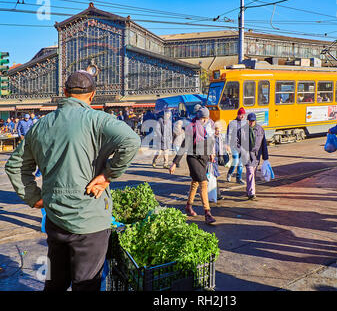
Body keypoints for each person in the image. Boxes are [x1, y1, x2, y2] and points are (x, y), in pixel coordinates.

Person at [5, 70, 141, 291]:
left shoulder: (40, 125)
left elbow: (15, 166)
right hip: (90, 222)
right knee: (86, 284)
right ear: (92, 95)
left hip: (54, 220)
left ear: (65, 93)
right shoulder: (98, 119)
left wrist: (34, 198)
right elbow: (131, 141)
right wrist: (107, 175)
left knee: (55, 282)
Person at [169, 107, 216, 224]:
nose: (205, 121)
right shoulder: (192, 128)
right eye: (203, 118)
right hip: (193, 158)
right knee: (203, 183)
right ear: (199, 118)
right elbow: (184, 146)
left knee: (195, 182)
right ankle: (207, 213)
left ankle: (188, 206)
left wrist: (211, 153)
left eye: (206, 118)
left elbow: (210, 141)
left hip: (203, 158)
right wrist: (174, 163)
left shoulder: (209, 127)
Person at [242, 113, 269, 200]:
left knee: (252, 173)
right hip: (247, 155)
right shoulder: (243, 130)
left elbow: (263, 144)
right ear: (248, 121)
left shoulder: (260, 129)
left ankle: (248, 189)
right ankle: (251, 193)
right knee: (250, 173)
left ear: (255, 121)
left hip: (256, 156)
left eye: (253, 121)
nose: (251, 122)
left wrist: (265, 157)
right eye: (250, 121)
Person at [226, 107, 246, 184]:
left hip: (242, 146)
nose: (243, 116)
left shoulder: (244, 123)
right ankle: (229, 173)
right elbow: (229, 134)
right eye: (241, 115)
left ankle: (239, 178)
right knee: (235, 161)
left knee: (241, 163)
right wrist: (227, 144)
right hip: (234, 145)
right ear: (238, 114)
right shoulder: (232, 123)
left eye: (243, 115)